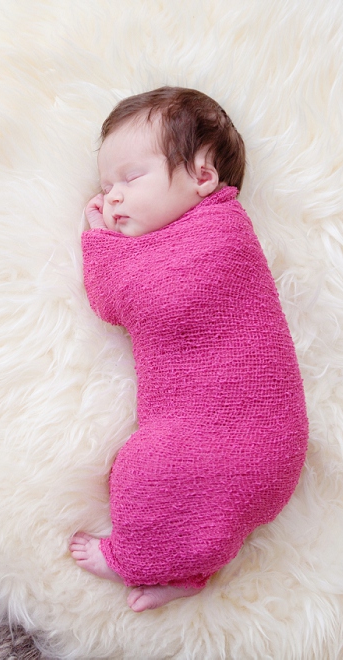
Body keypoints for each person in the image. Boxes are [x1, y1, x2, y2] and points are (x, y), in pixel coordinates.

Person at [69, 87, 308, 612]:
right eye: (106, 185)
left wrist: (100, 246)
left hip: (250, 433)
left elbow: (130, 301)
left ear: (203, 177)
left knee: (145, 471)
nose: (111, 197)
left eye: (131, 178)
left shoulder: (222, 235)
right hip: (231, 436)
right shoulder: (180, 239)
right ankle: (189, 570)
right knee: (156, 472)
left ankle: (136, 558)